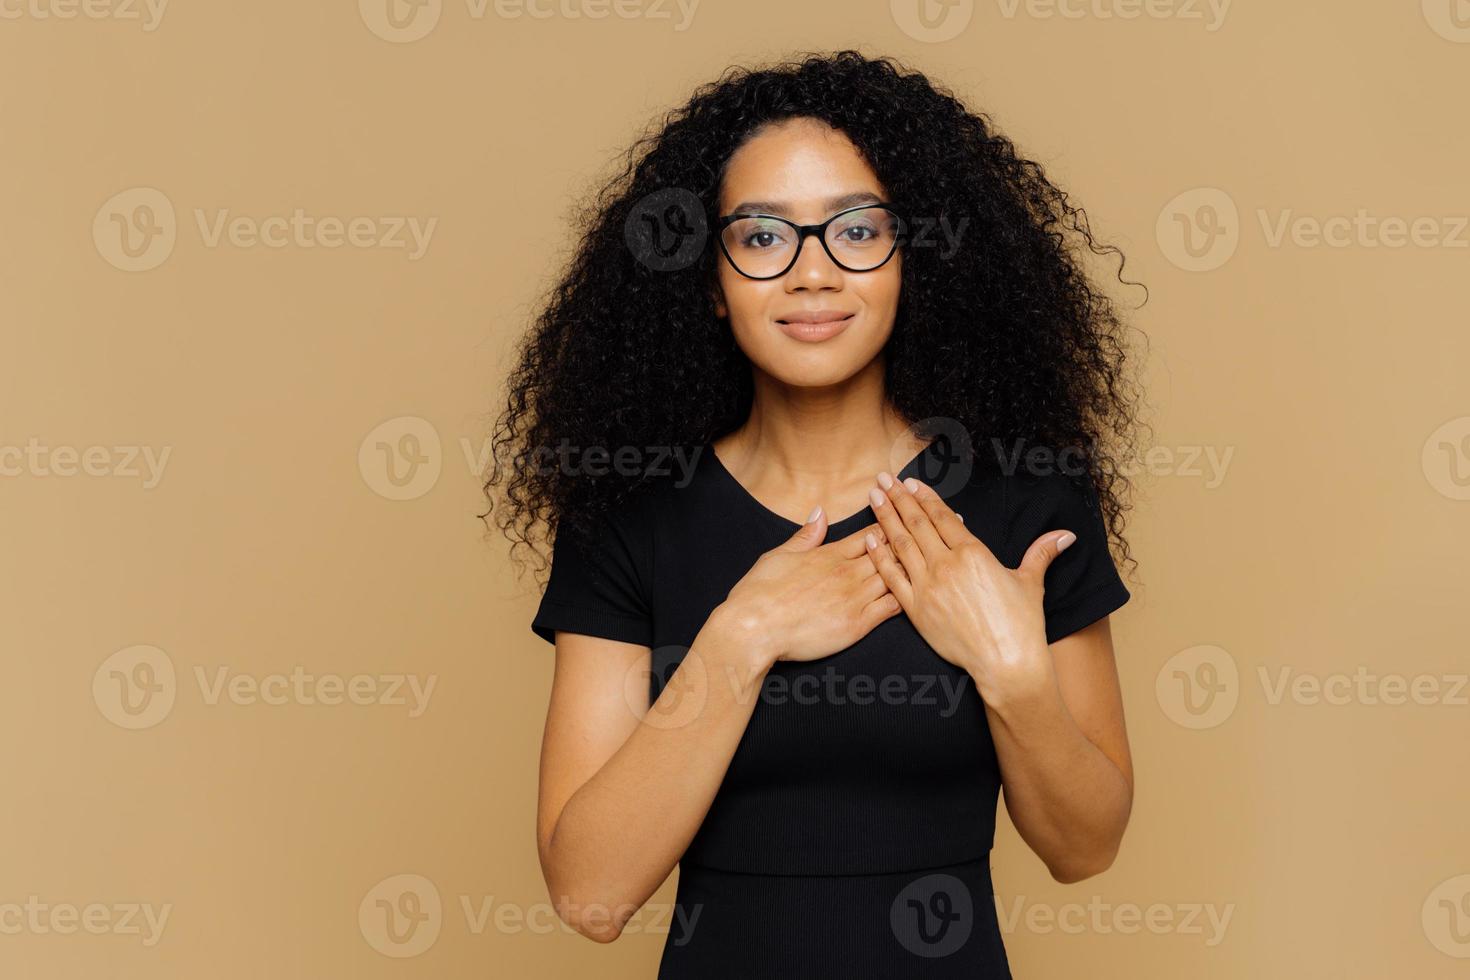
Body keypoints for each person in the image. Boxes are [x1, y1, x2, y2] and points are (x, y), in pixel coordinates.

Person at [484, 48, 1146, 980]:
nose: (813, 274)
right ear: (709, 281)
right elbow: (590, 895)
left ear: (910, 259)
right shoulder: (630, 518)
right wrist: (738, 638)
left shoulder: (1026, 500)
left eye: (857, 231)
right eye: (761, 238)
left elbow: (1086, 850)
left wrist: (1013, 674)